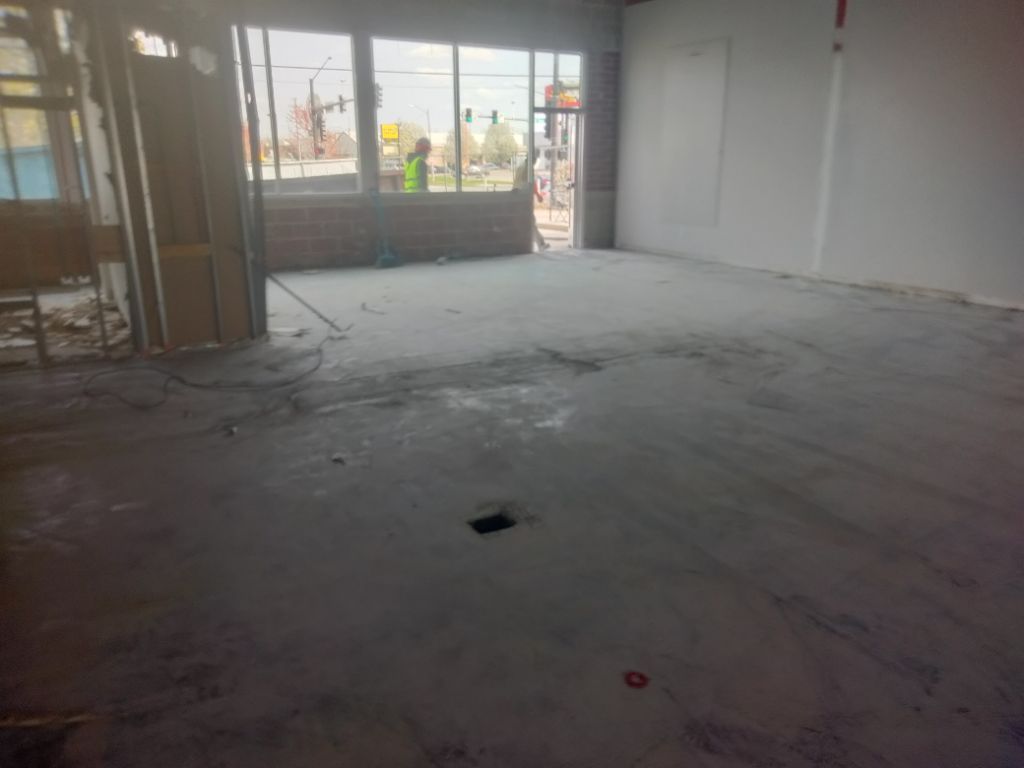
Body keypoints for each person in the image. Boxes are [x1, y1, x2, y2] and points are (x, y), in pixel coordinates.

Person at [513, 157, 549, 251]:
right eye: (536, 159)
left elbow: (516, 182)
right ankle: (540, 244)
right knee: (531, 222)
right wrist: (538, 195)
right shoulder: (528, 169)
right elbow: (531, 184)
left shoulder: (520, 167)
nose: (535, 162)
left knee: (526, 221)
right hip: (525, 198)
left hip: (518, 197)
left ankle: (538, 243)